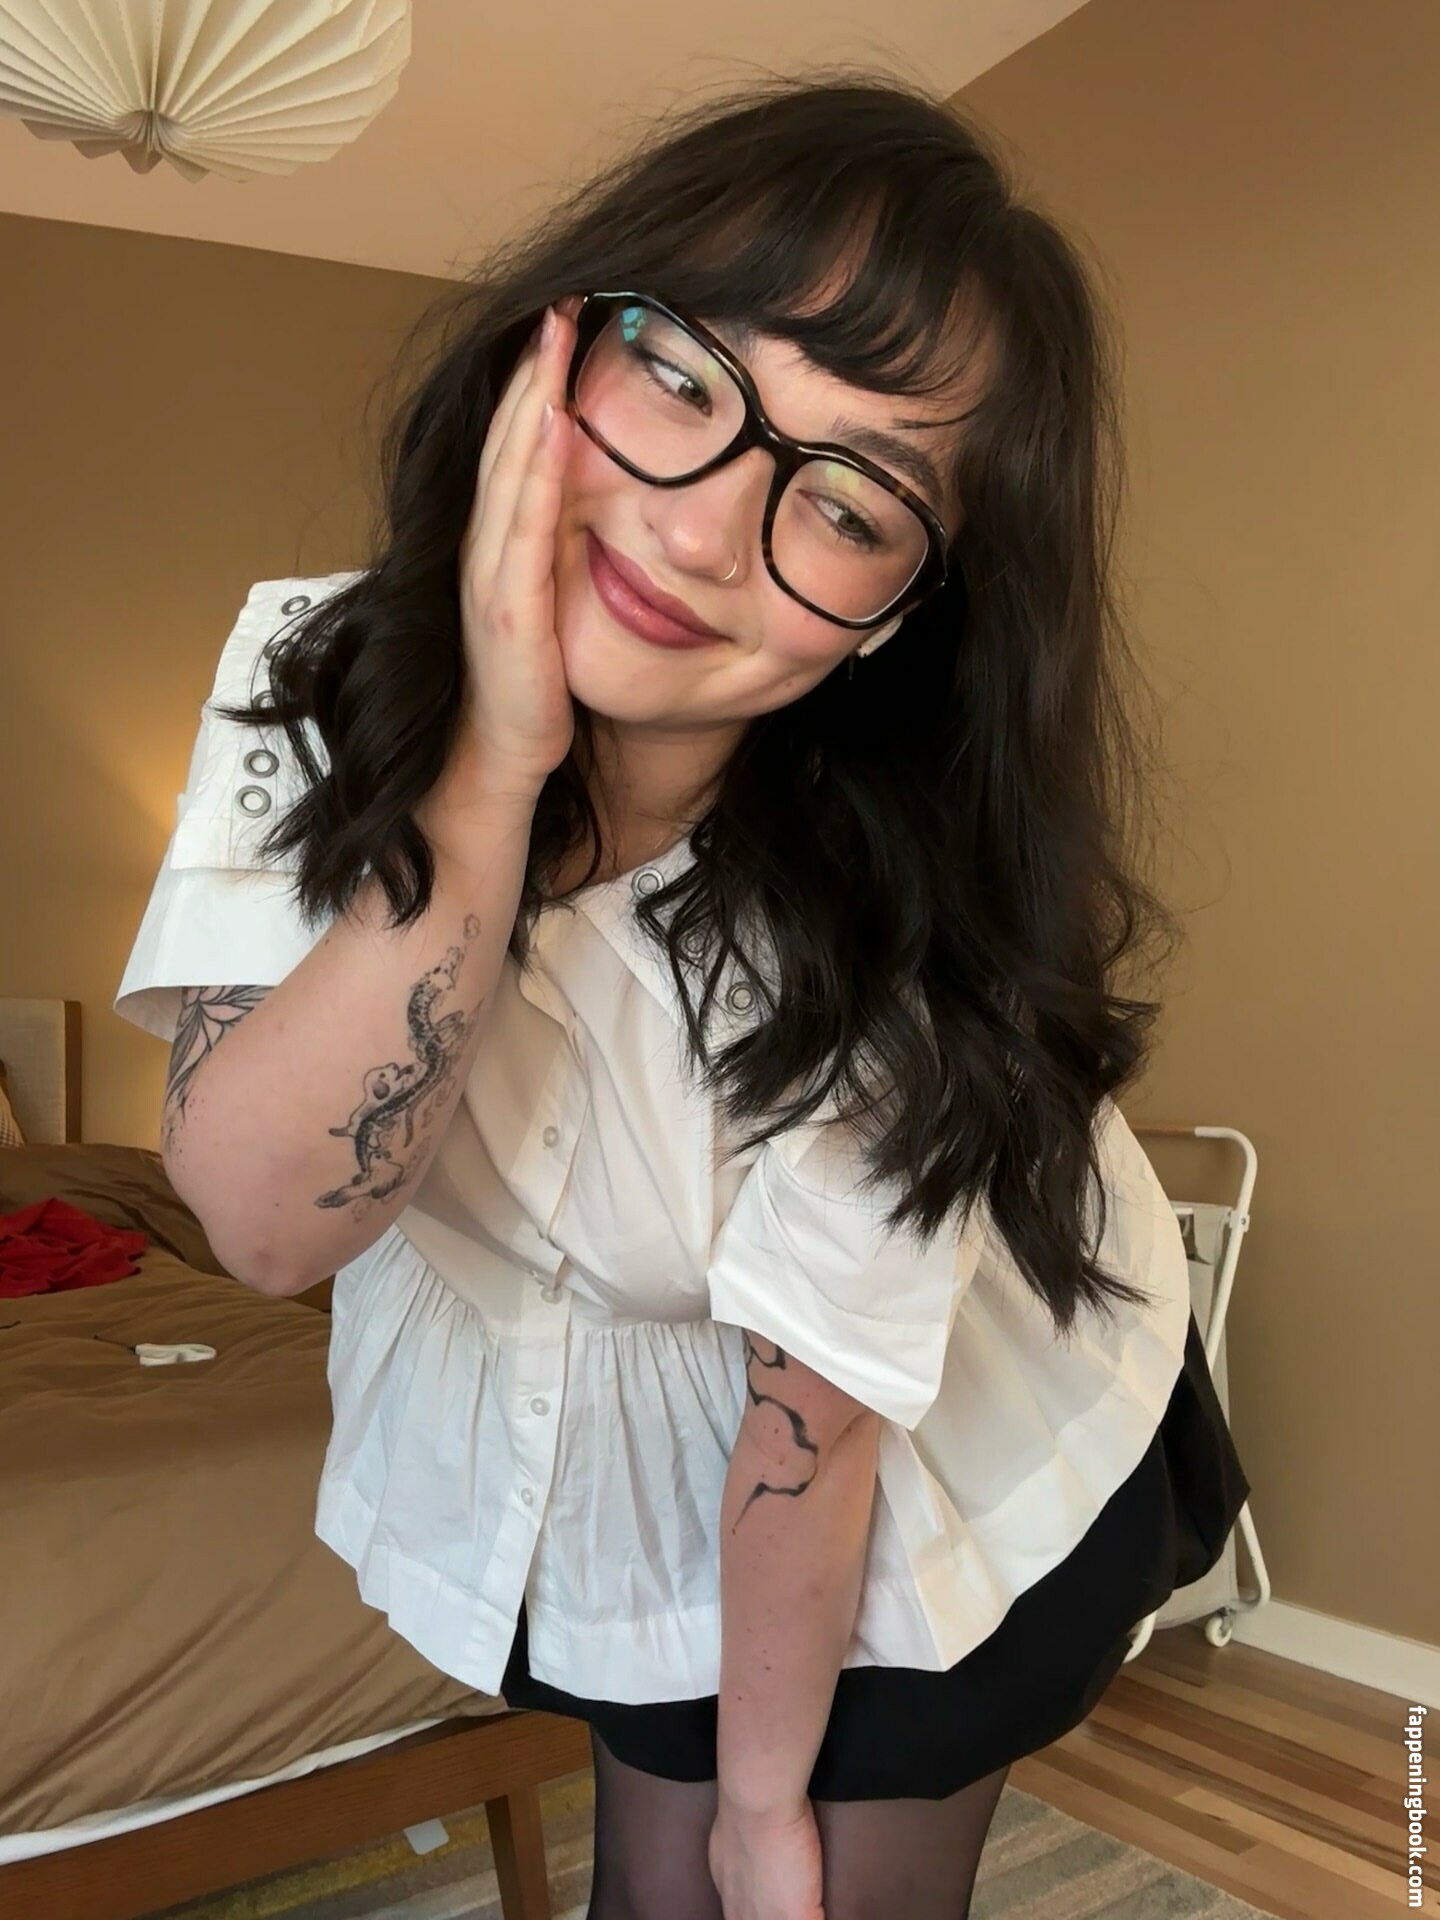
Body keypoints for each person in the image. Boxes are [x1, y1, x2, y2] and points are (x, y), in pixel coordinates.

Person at [116, 73, 1249, 1920]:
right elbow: (261, 1221)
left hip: (914, 1454)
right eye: (682, 375)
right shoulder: (313, 672)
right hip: (634, 1430)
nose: (706, 532)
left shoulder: (895, 947)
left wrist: (759, 1814)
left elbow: (819, 1439)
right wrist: (488, 778)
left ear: (900, 613)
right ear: (556, 346)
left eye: (854, 503)